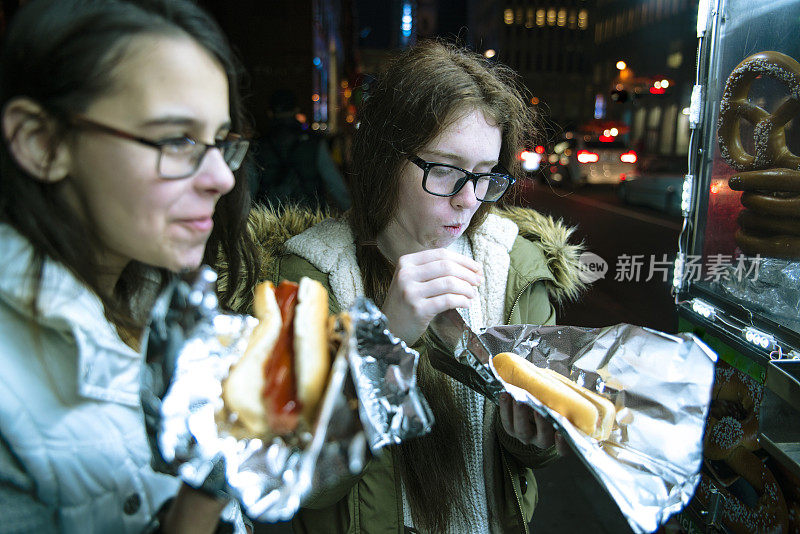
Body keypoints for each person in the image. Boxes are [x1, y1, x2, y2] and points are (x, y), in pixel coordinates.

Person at [220, 41, 585, 533]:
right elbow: (305, 483)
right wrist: (383, 339)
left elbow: (532, 458)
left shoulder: (517, 264)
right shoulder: (313, 272)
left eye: (484, 175)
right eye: (445, 169)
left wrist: (531, 435)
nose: (467, 200)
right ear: (386, 158)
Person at [0, 0, 258, 532]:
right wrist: (204, 493)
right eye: (176, 139)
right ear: (41, 142)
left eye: (219, 141)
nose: (222, 178)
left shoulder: (165, 303)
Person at [252, 89, 351, 211]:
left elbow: (249, 189)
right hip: (309, 219)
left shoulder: (259, 146)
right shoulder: (314, 142)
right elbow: (336, 185)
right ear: (296, 110)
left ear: (270, 112)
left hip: (268, 221)